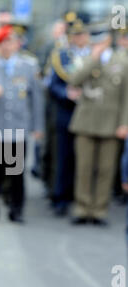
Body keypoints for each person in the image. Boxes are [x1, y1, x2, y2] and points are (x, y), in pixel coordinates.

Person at [0, 25, 44, 223]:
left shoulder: (28, 66)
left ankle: (16, 209)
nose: (8, 46)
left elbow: (36, 99)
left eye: (11, 42)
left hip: (17, 130)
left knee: (16, 173)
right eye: (4, 42)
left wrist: (38, 127)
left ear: (17, 44)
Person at [68, 22, 128, 225]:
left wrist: (124, 123)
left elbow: (126, 96)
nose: (99, 42)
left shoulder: (122, 60)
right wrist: (94, 58)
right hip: (86, 121)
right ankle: (82, 207)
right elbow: (74, 80)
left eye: (102, 37)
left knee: (105, 169)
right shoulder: (84, 58)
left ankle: (99, 210)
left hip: (111, 123)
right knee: (84, 167)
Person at [49, 13, 91, 217]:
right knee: (63, 158)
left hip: (91, 115)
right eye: (76, 35)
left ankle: (82, 199)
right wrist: (66, 93)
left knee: (86, 160)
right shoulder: (62, 56)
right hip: (67, 113)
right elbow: (53, 85)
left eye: (82, 34)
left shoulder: (96, 55)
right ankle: (60, 198)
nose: (79, 38)